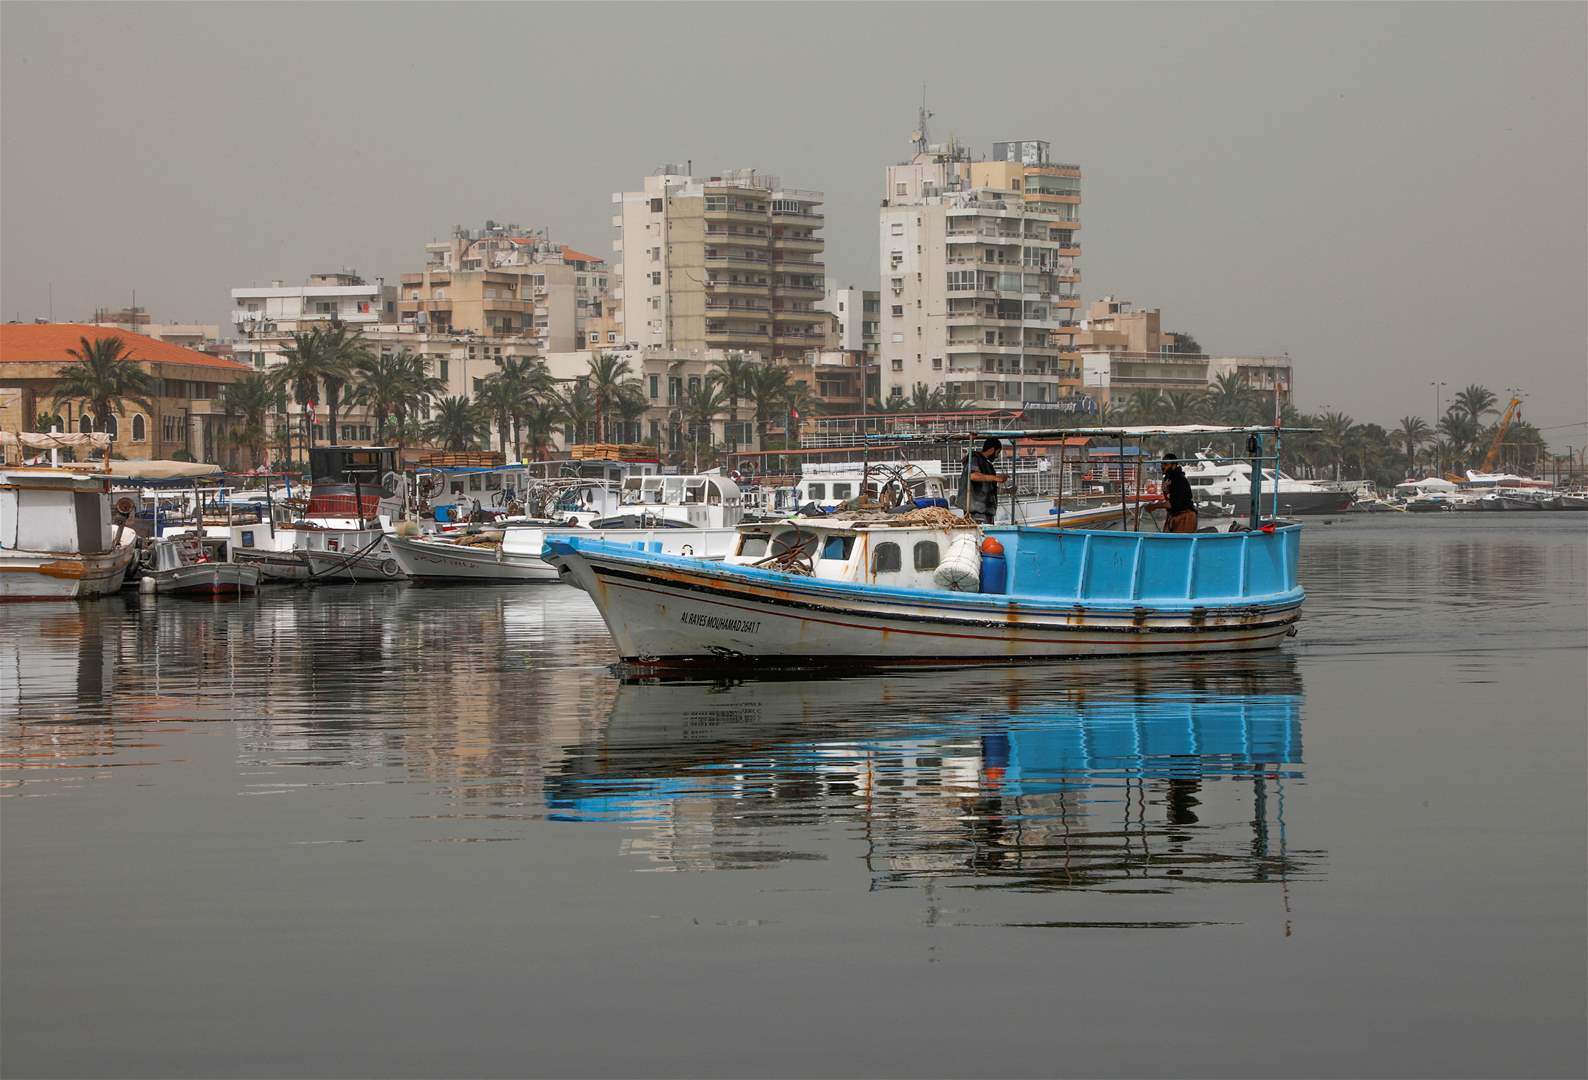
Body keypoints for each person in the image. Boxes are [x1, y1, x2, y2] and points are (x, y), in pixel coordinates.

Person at [961, 437, 1010, 524]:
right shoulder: (974, 459)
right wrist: (996, 478)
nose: (997, 456)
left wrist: (1007, 490)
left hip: (986, 512)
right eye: (997, 453)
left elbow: (987, 487)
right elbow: (973, 476)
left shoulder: (987, 464)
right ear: (991, 450)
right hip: (977, 512)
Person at [1152, 452, 1198, 532]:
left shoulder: (1179, 480)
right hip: (1173, 515)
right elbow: (1169, 500)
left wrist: (1153, 506)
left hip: (1184, 516)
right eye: (1162, 464)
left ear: (1173, 465)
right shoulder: (1168, 479)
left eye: (1166, 464)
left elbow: (1173, 503)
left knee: (1180, 542)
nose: (1162, 466)